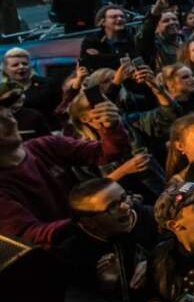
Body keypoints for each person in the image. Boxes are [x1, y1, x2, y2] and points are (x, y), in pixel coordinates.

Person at [0, 104, 129, 246]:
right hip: (69, 250)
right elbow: (29, 233)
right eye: (1, 121)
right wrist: (90, 220)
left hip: (101, 229)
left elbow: (106, 152)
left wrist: (111, 126)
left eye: (10, 116)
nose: (12, 122)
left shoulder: (45, 145)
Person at [56, 177, 160, 302]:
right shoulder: (72, 255)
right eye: (112, 207)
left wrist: (155, 262)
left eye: (124, 197)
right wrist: (107, 286)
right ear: (89, 223)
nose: (125, 206)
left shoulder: (153, 217)